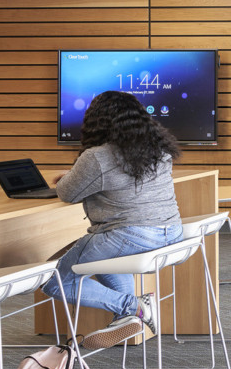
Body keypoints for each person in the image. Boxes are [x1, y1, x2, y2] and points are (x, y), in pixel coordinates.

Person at [40, 91, 185, 349]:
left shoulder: (97, 156)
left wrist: (69, 177)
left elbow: (67, 194)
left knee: (52, 280)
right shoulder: (158, 150)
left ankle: (133, 306)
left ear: (97, 122)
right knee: (105, 253)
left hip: (129, 234)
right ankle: (128, 316)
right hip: (172, 233)